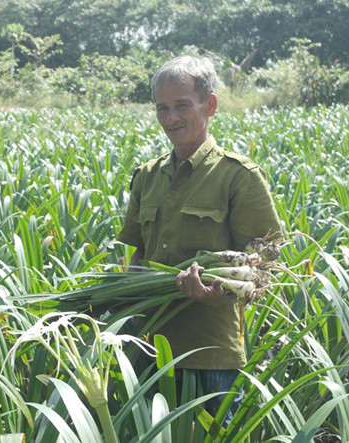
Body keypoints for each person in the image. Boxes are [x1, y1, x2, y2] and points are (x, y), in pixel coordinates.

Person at [117, 55, 280, 423]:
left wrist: (217, 292)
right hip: (149, 348)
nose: (170, 118)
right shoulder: (146, 176)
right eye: (162, 108)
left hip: (209, 353)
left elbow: (263, 263)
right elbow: (138, 254)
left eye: (181, 106)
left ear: (210, 105)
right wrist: (119, 295)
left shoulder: (238, 177)